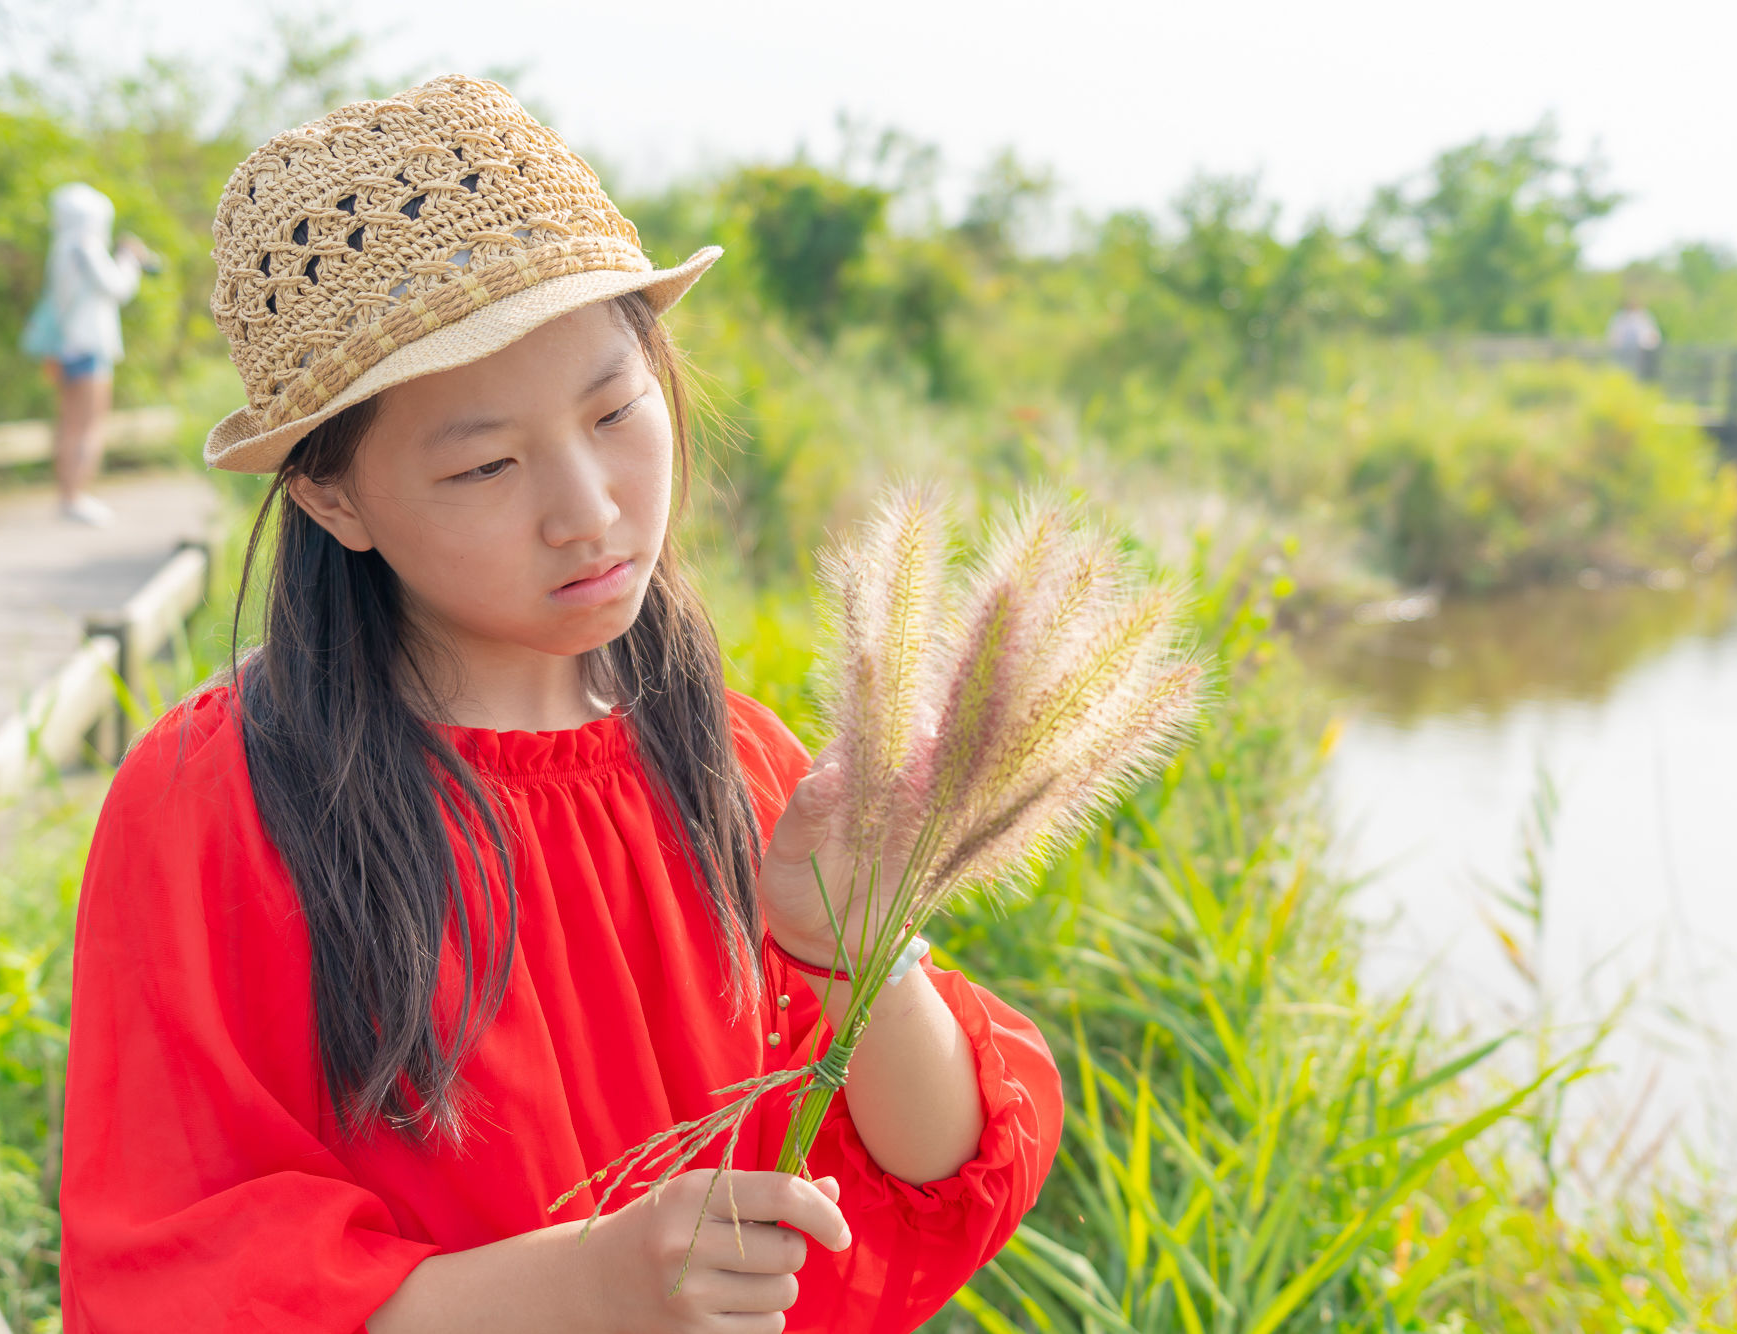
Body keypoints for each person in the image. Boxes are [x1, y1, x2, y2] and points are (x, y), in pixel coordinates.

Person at [56, 73, 1063, 1333]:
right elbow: (187, 1273)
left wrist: (861, 949)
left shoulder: (734, 759)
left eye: (614, 409)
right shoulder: (225, 801)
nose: (586, 506)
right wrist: (596, 1283)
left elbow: (927, 1171)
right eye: (484, 462)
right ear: (335, 500)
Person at [19, 182, 156, 525]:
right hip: (89, 346)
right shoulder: (86, 247)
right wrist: (129, 259)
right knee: (90, 424)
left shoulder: (62, 247)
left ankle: (67, 495)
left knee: (69, 424)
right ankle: (75, 497)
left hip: (64, 347)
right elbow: (118, 287)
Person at [1605, 294, 1662, 381]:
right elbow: (1613, 336)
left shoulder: (1644, 317)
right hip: (1623, 353)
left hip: (1642, 354)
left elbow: (1653, 336)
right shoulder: (1619, 318)